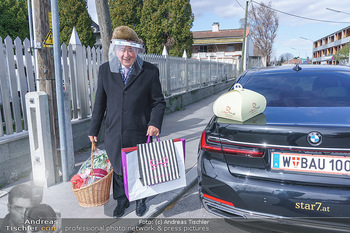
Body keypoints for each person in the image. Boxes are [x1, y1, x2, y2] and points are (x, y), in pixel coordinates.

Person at [88, 26, 166, 218]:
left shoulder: (149, 71)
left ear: (137, 50)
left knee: (140, 167)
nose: (126, 54)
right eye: (122, 49)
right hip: (114, 131)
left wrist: (154, 123)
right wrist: (93, 128)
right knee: (118, 169)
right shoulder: (105, 70)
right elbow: (100, 102)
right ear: (115, 50)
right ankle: (122, 200)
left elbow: (158, 102)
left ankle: (141, 199)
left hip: (140, 131)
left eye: (131, 49)